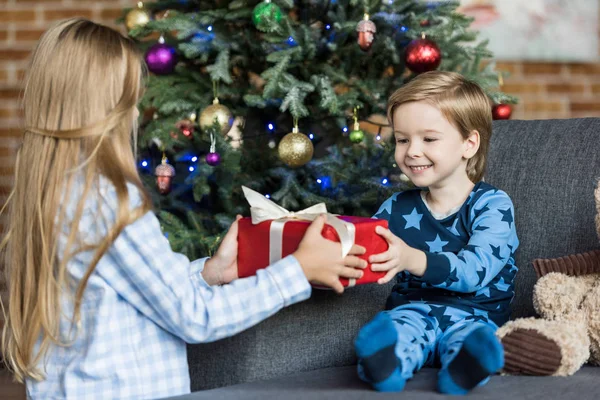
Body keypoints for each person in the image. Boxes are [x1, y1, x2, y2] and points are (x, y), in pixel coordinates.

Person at [0, 19, 367, 400]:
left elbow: (128, 291)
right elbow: (195, 317)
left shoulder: (55, 191)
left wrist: (207, 273)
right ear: (113, 106)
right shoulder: (108, 199)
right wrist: (297, 271)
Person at [354, 71, 519, 395]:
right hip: (412, 311)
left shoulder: (492, 205)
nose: (412, 151)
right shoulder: (396, 206)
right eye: (402, 139)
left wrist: (411, 258)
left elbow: (474, 271)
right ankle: (386, 366)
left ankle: (466, 367)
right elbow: (366, 251)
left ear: (469, 144)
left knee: (469, 338)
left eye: (428, 139)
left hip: (477, 316)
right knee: (400, 329)